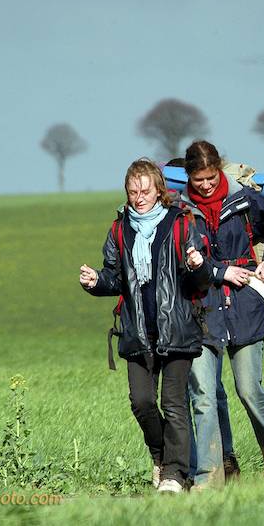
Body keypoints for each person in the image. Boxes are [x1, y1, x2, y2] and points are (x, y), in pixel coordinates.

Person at [79, 159, 211, 494]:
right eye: (133, 191)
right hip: (137, 330)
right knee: (141, 402)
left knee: (174, 404)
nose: (139, 197)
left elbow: (201, 279)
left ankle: (175, 475)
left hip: (177, 327)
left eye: (145, 191)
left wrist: (197, 264)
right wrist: (96, 281)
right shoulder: (119, 228)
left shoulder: (180, 223)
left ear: (158, 191)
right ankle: (161, 454)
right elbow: (115, 277)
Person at [181, 140, 264, 483]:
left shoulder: (245, 199)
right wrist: (213, 271)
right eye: (198, 179)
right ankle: (211, 476)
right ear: (189, 176)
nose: (205, 185)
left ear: (219, 168)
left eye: (210, 177)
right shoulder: (181, 211)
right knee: (203, 395)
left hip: (245, 304)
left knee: (249, 390)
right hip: (201, 308)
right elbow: (178, 258)